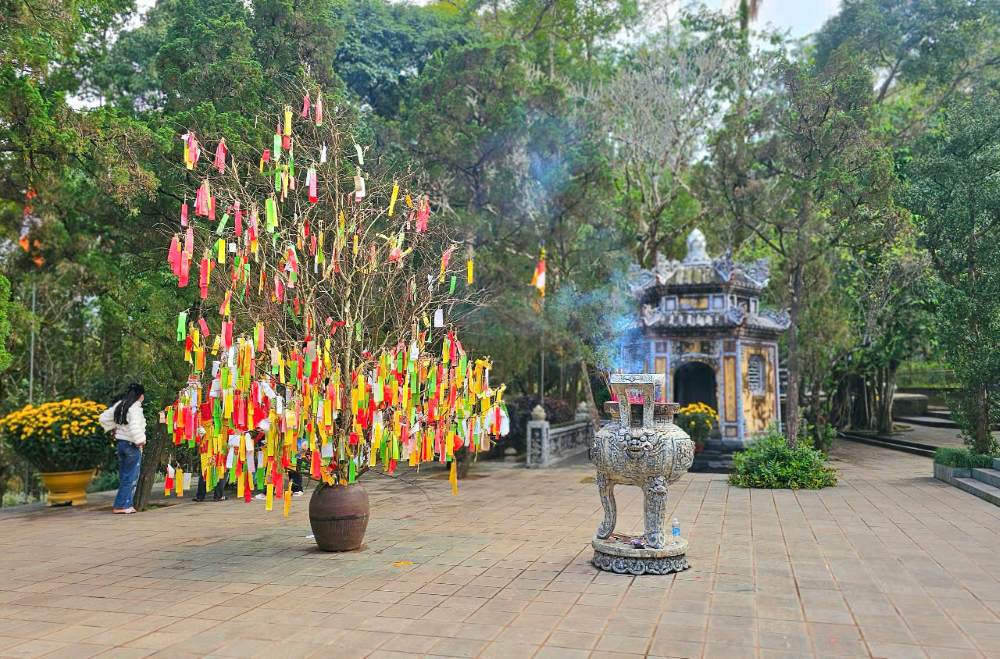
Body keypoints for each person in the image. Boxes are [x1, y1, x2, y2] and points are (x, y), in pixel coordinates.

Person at [99, 383, 147, 514]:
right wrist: (140, 440)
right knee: (130, 477)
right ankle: (121, 506)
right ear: (140, 395)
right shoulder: (135, 408)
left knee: (125, 476)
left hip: (121, 444)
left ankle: (127, 504)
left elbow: (103, 418)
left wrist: (113, 428)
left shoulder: (121, 405)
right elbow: (135, 426)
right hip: (131, 446)